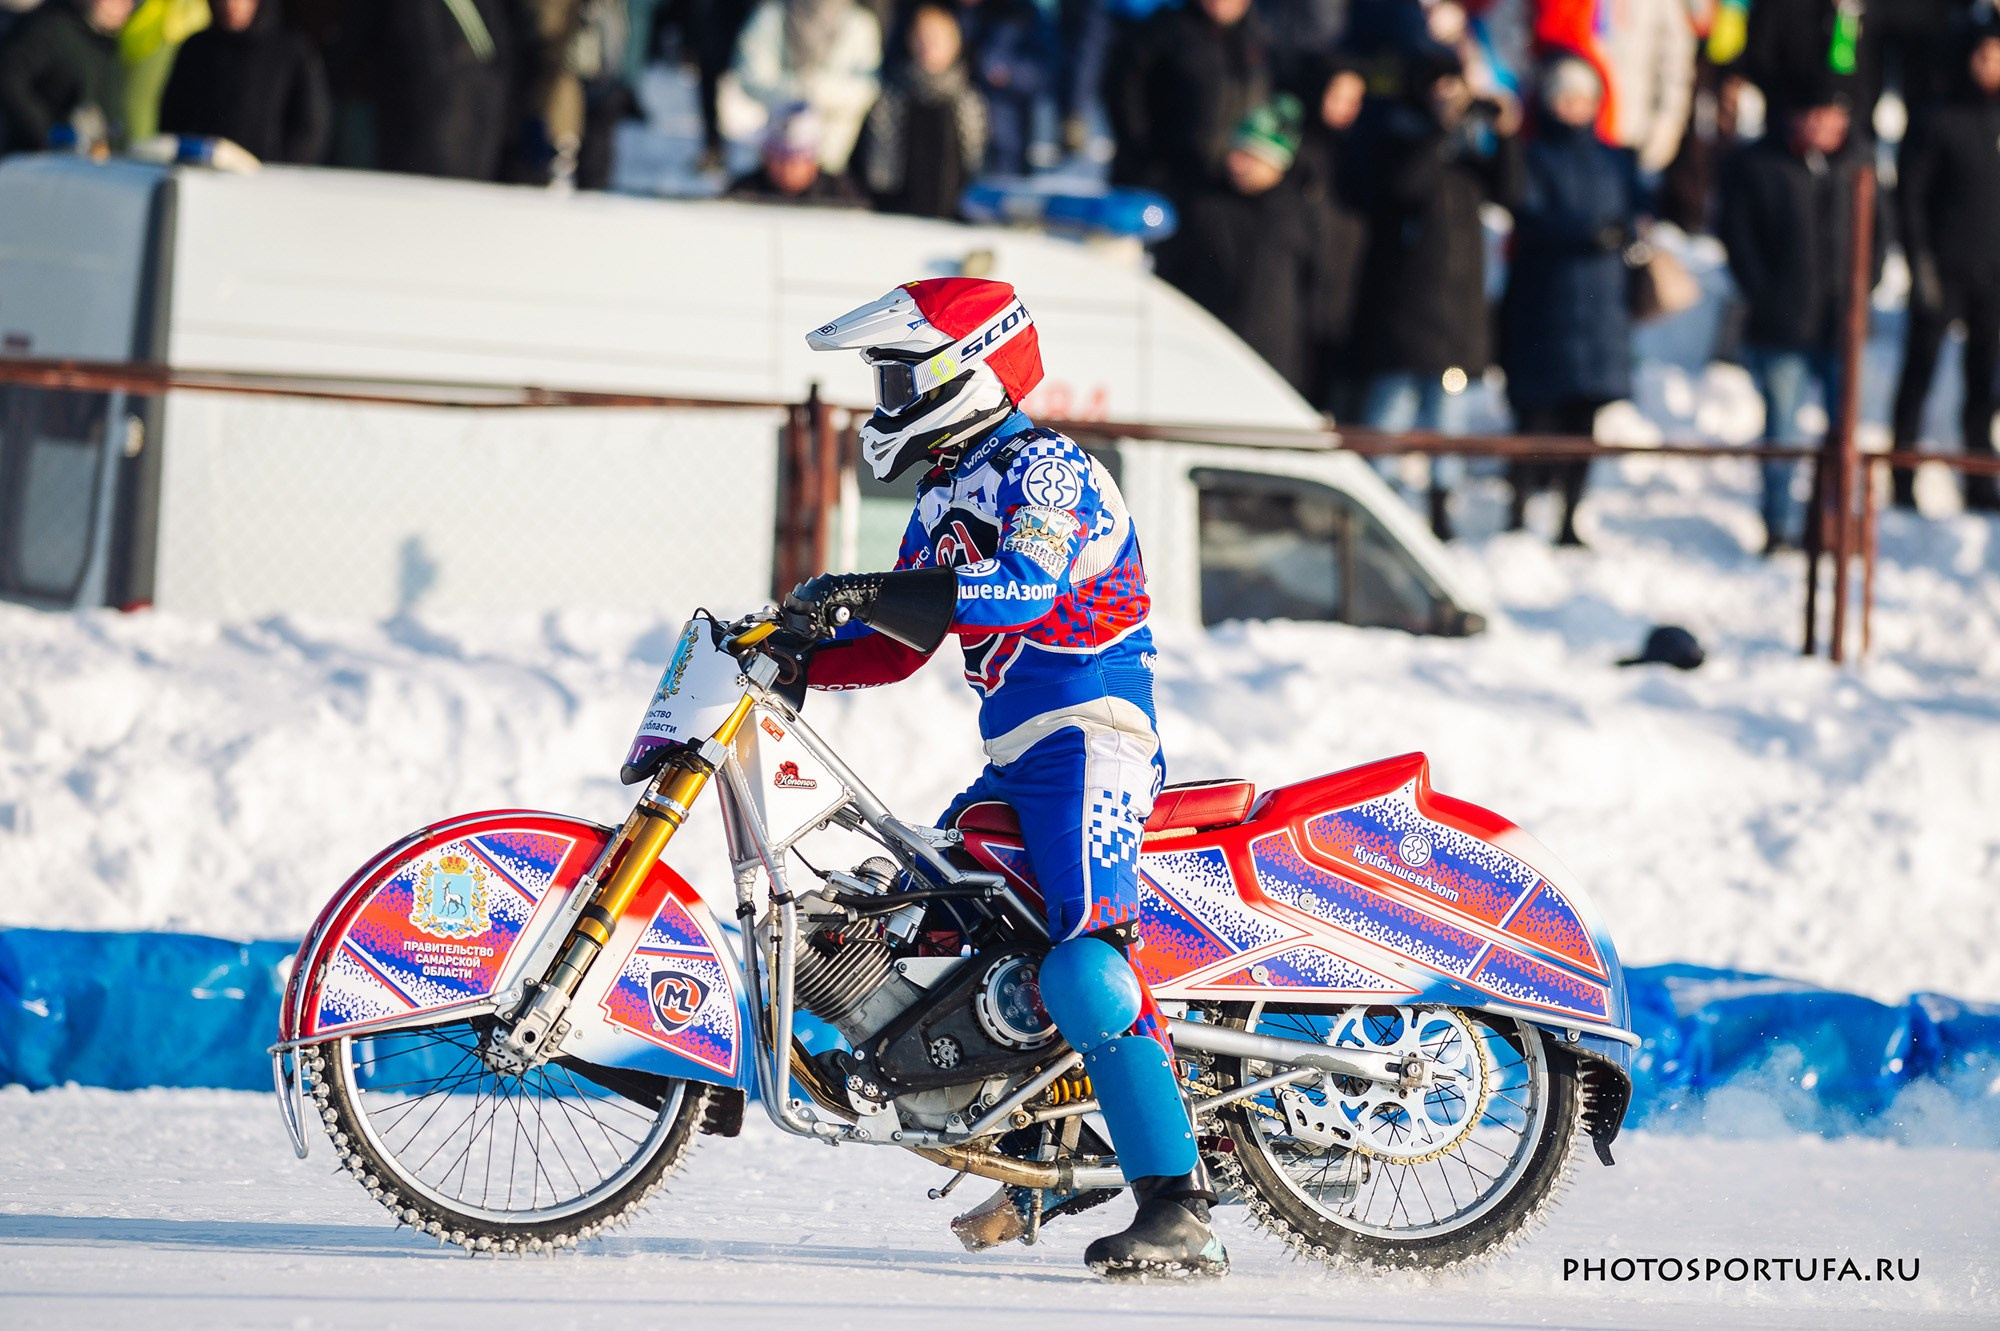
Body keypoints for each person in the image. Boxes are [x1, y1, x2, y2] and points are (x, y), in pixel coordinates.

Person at [783, 277, 1227, 1280]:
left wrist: (871, 587)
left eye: (900, 373)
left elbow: (1025, 587)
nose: (886, 395)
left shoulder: (1048, 470)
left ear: (966, 369)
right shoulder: (948, 486)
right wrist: (795, 648)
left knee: (1080, 958)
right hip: (1020, 749)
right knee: (942, 924)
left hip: (1088, 732)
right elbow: (902, 643)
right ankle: (1048, 1146)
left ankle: (1176, 1200)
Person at [1353, 47, 1522, 540]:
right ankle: (1369, 510)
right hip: (1403, 315)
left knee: (1447, 423)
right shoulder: (1398, 132)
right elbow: (1402, 186)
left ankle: (1441, 512)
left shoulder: (1468, 147)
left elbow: (1510, 194)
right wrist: (1442, 128)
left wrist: (1506, 135)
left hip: (1455, 316)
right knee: (1388, 418)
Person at [1716, 76, 1884, 551]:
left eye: (1832, 115)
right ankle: (1779, 525)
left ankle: (1832, 526)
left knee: (1844, 433)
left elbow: (1880, 236)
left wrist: (1860, 293)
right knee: (1783, 432)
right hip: (1780, 324)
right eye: (1814, 113)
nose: (1823, 125)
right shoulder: (1760, 164)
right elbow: (1737, 236)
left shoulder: (1859, 164)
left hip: (1841, 323)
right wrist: (1764, 294)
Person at [1501, 54, 1641, 546]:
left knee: (1585, 421)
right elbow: (1527, 215)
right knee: (1534, 416)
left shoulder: (1615, 158)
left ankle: (1569, 516)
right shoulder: (1532, 156)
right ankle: (1518, 509)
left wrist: (1625, 236)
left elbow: (1636, 212)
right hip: (1543, 303)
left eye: (1582, 98)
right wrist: (1587, 234)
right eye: (1564, 96)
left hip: (1600, 308)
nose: (1572, 107)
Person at [1890, 19, 2000, 511]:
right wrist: (1921, 267)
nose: (1991, 67)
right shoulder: (1939, 118)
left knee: (1984, 384)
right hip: (1943, 269)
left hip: (1993, 277)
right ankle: (1901, 477)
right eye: (1985, 56)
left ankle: (1980, 479)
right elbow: (1910, 197)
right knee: (1919, 378)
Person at [1154, 95, 1322, 392]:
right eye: (1235, 151)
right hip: (1203, 362)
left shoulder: (1300, 216)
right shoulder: (1205, 207)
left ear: (1275, 162)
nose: (1235, 162)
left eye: (1249, 155)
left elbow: (1317, 295)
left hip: (1275, 370)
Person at [1108, 0, 1273, 200]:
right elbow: (1123, 95)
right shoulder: (1163, 30)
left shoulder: (1259, 38)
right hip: (1164, 187)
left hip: (1229, 190)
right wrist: (1148, 163)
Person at [157, 0, 330, 164]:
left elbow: (311, 126)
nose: (230, 4)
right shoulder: (196, 48)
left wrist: (279, 173)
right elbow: (173, 116)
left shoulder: (293, 51)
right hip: (203, 178)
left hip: (268, 182)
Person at [858, 1, 985, 216]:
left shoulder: (968, 103)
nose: (928, 46)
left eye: (937, 39)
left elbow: (976, 165)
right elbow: (876, 175)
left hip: (953, 219)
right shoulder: (891, 99)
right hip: (896, 219)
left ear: (954, 44)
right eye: (922, 37)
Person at [727, 0, 881, 174]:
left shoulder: (860, 24)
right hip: (777, 158)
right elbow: (750, 76)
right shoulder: (772, 15)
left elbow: (867, 89)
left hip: (833, 157)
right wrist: (799, 92)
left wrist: (817, 91)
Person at [0, 0, 131, 156]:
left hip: (93, 160)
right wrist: (45, 130)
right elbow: (9, 77)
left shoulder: (106, 41)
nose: (123, 6)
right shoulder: (49, 27)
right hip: (38, 159)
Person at [725, 99, 867, 202]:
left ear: (813, 160)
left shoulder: (843, 196)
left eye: (796, 158)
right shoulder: (742, 193)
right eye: (779, 156)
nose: (786, 167)